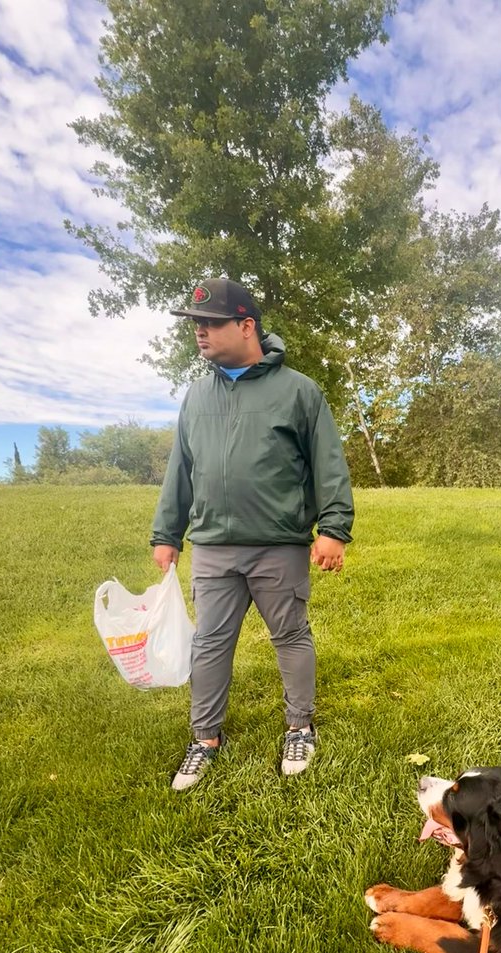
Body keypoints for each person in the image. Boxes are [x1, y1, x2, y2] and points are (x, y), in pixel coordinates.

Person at [150, 277, 354, 788]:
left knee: (290, 634)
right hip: (214, 546)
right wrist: (166, 532)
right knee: (210, 644)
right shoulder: (196, 396)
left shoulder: (299, 391)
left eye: (211, 323)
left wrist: (333, 527)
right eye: (196, 324)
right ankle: (204, 738)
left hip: (278, 543)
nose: (200, 333)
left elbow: (328, 463)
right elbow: (182, 467)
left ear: (247, 326)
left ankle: (299, 727)